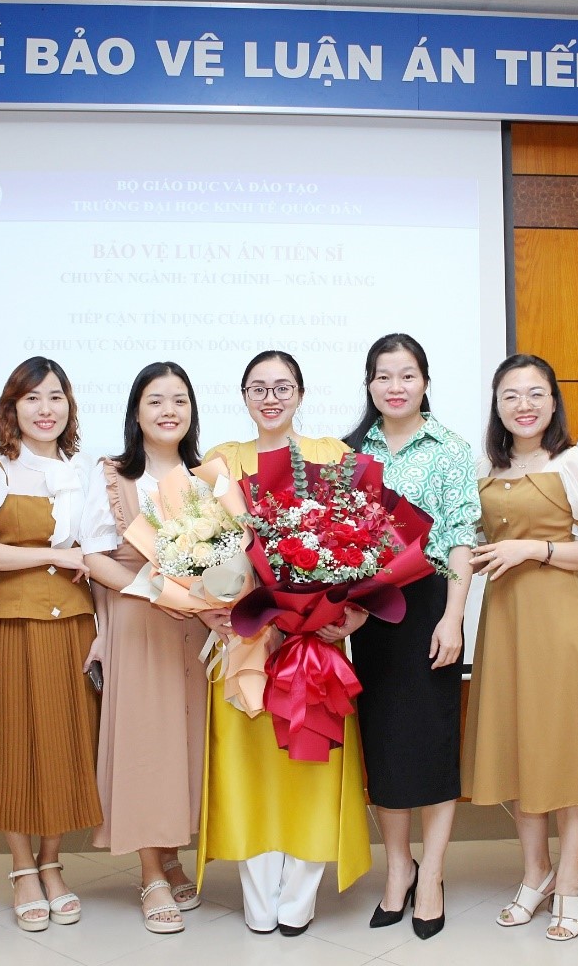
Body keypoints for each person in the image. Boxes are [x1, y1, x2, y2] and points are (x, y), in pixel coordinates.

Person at [197, 350, 371, 936]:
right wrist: (209, 609)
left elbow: (365, 547)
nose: (270, 398)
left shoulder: (333, 456)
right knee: (249, 769)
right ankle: (258, 896)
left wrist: (352, 614)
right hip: (245, 645)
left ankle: (299, 897)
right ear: (244, 396)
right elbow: (197, 550)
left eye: (282, 387)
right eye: (258, 388)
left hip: (313, 644)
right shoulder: (220, 461)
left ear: (300, 393)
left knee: (310, 767)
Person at [462, 354, 578, 941]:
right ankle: (536, 871)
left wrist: (535, 550)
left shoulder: (576, 463)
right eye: (511, 395)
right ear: (497, 405)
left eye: (535, 393)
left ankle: (572, 875)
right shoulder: (487, 466)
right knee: (521, 743)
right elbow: (473, 542)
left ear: (553, 402)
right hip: (506, 618)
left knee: (565, 744)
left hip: (560, 618)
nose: (523, 405)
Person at [0, 357, 104, 932]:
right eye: (33, 398)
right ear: (12, 408)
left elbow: (97, 551)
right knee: (13, 742)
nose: (46, 409)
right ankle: (22, 868)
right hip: (11, 623)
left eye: (56, 397)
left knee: (67, 741)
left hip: (74, 624)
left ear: (69, 406)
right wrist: (51, 554)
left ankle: (52, 863)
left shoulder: (83, 471)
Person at [341, 333, 479, 940]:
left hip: (429, 607)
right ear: (369, 384)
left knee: (433, 740)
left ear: (425, 381)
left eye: (406, 375)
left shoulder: (450, 449)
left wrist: (453, 617)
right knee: (386, 743)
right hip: (370, 612)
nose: (394, 387)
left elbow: (461, 538)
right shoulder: (350, 452)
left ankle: (433, 875)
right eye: (383, 376)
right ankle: (398, 868)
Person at [82, 361, 210, 934]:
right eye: (156, 400)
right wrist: (154, 589)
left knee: (185, 743)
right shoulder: (113, 476)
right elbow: (92, 556)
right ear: (136, 411)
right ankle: (151, 873)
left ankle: (173, 853)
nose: (168, 410)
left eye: (179, 400)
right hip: (138, 616)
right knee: (144, 744)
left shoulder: (205, 479)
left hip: (195, 625)